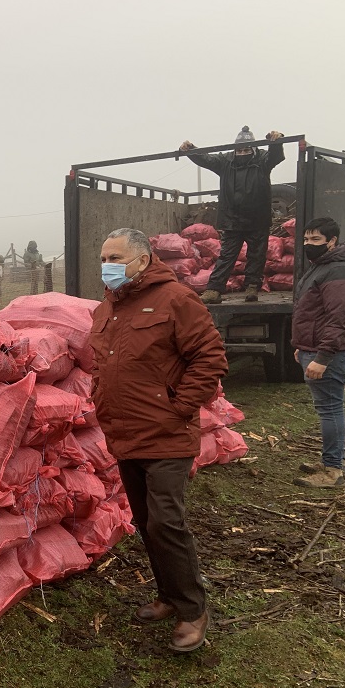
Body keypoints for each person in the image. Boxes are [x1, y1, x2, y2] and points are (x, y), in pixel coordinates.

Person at [89, 228, 228, 653]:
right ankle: (168, 595)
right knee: (147, 520)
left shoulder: (176, 300)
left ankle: (192, 609)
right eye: (103, 257)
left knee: (167, 521)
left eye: (115, 257)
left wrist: (178, 407)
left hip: (166, 433)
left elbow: (210, 357)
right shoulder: (106, 310)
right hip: (126, 434)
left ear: (144, 260)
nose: (107, 266)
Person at [291, 217, 345, 489]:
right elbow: (310, 312)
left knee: (330, 410)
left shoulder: (339, 272)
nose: (309, 244)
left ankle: (333, 470)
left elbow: (338, 319)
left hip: (331, 354)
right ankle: (331, 460)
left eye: (316, 240)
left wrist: (322, 357)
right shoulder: (321, 266)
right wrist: (303, 345)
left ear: (332, 241)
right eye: (306, 239)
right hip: (314, 348)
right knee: (328, 409)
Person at [180, 126, 285, 304]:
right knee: (227, 256)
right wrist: (191, 150)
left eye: (246, 149)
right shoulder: (225, 161)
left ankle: (252, 287)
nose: (242, 153)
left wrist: (276, 141)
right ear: (235, 149)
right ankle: (214, 289)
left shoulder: (262, 161)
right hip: (232, 219)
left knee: (256, 255)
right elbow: (206, 159)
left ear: (253, 149)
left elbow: (276, 156)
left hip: (257, 218)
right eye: (239, 149)